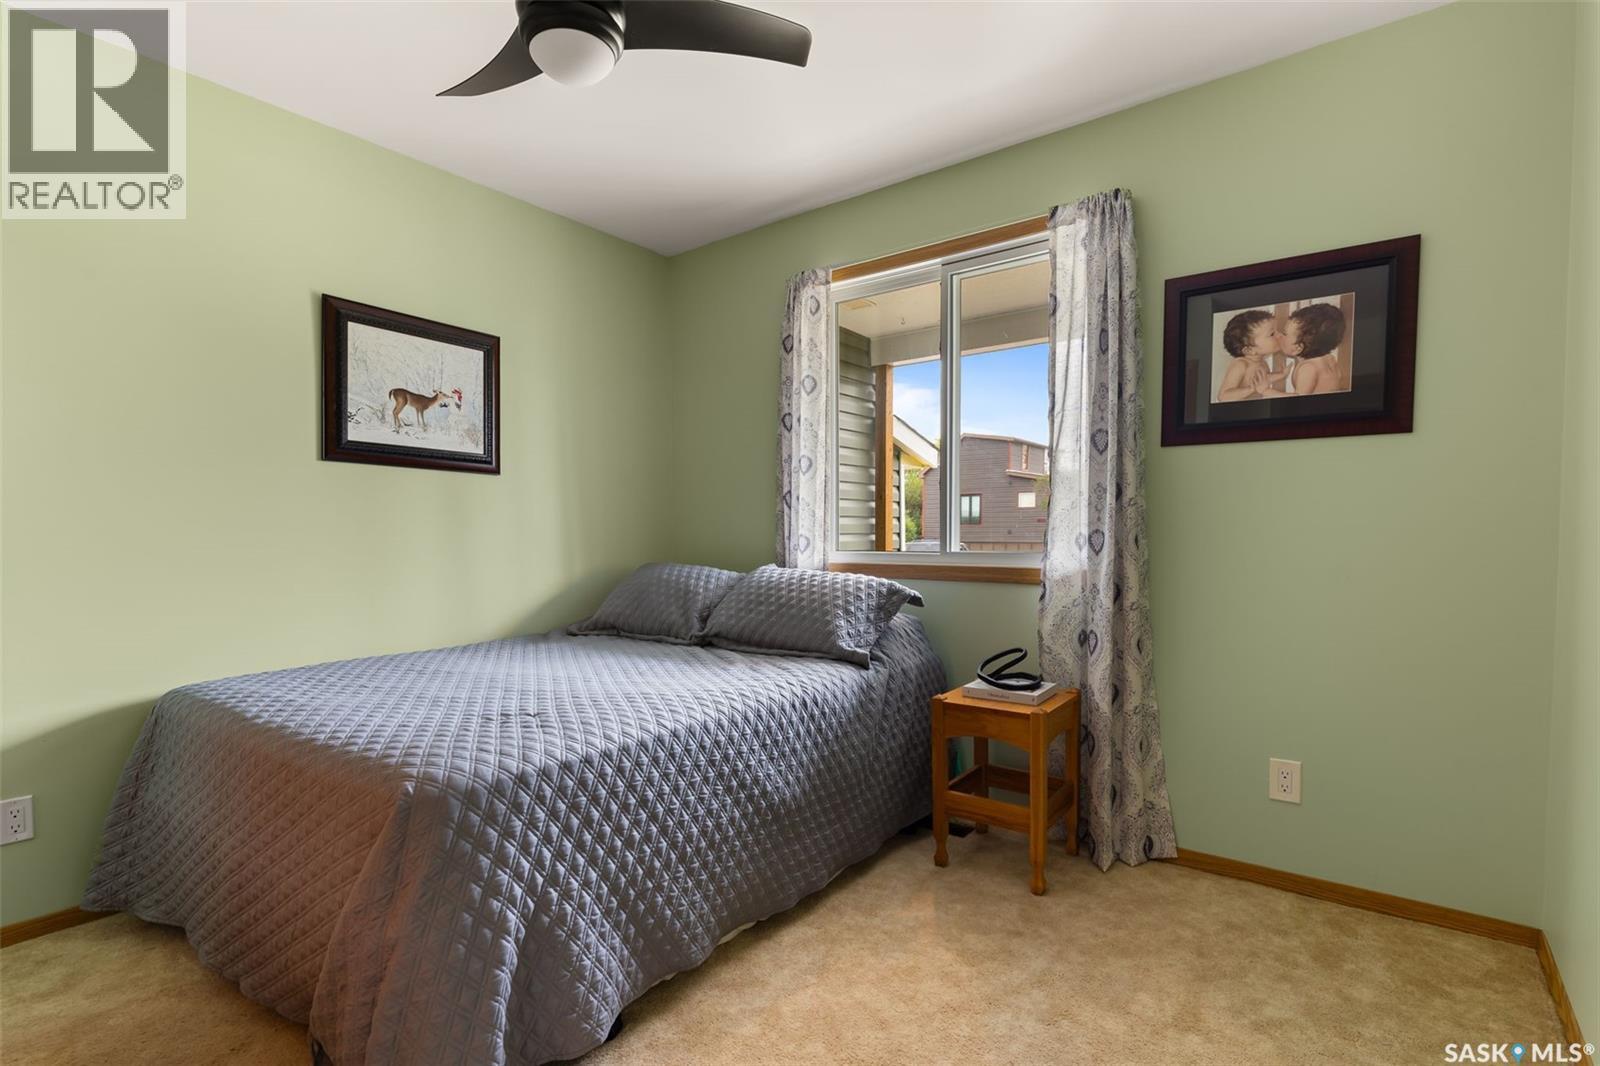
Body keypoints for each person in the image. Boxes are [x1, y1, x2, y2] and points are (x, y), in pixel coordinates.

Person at [1215, 309, 1291, 402]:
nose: (1279, 335)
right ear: (1250, 350)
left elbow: (1263, 379)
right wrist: (1252, 389)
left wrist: (1281, 375)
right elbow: (1223, 396)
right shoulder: (1241, 365)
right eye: (1272, 334)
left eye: (1277, 331)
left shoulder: (1262, 363)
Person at [1283, 302, 1348, 395]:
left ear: (1298, 348)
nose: (1279, 336)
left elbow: (1298, 400)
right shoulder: (1330, 359)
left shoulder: (1308, 368)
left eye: (1285, 334)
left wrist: (1267, 391)